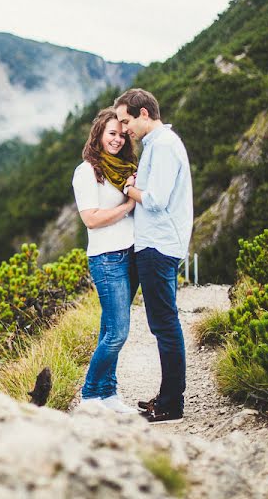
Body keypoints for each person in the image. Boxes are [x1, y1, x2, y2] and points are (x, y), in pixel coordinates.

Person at [114, 88, 193, 424]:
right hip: (156, 244)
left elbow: (157, 200)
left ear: (143, 113)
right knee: (163, 323)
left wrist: (125, 188)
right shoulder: (158, 145)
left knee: (164, 324)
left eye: (126, 120)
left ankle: (172, 404)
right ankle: (166, 396)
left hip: (158, 246)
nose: (124, 128)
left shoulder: (162, 146)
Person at [72, 107, 139, 414]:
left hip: (130, 253)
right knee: (118, 332)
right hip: (106, 257)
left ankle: (108, 395)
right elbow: (91, 219)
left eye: (122, 135)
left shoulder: (125, 167)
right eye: (112, 133)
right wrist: (127, 206)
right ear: (98, 134)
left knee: (108, 327)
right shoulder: (87, 171)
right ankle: (89, 396)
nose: (118, 140)